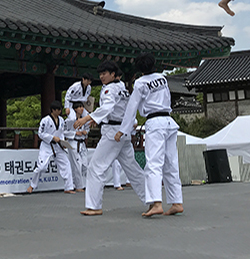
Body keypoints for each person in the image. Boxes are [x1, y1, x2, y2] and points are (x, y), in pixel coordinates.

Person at [73, 61, 146, 216]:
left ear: (113, 74)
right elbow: (124, 110)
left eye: (105, 73)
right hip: (123, 132)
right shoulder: (123, 88)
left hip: (113, 133)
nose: (102, 77)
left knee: (96, 167)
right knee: (132, 169)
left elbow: (107, 108)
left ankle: (94, 206)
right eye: (100, 74)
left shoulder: (110, 89)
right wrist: (98, 119)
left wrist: (86, 119)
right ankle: (153, 200)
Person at [115, 53, 183, 217]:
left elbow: (132, 107)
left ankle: (156, 203)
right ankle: (177, 202)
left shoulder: (140, 83)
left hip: (155, 122)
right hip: (169, 121)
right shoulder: (163, 78)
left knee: (153, 163)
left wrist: (123, 130)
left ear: (139, 69)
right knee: (170, 163)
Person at [27, 101, 74, 194]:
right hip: (47, 146)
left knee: (66, 164)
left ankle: (68, 187)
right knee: (42, 167)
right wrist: (52, 137)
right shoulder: (45, 120)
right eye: (58, 109)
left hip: (58, 146)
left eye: (60, 109)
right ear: (53, 110)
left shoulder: (61, 120)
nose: (60, 111)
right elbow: (40, 133)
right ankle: (32, 185)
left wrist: (63, 142)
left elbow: (62, 133)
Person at [64, 101, 90, 192]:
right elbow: (64, 132)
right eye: (79, 107)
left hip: (82, 143)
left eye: (82, 107)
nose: (81, 109)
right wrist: (75, 133)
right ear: (75, 109)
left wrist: (86, 132)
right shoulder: (70, 120)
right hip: (73, 143)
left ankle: (85, 184)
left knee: (85, 164)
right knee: (77, 165)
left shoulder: (84, 119)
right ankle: (78, 186)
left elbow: (88, 129)